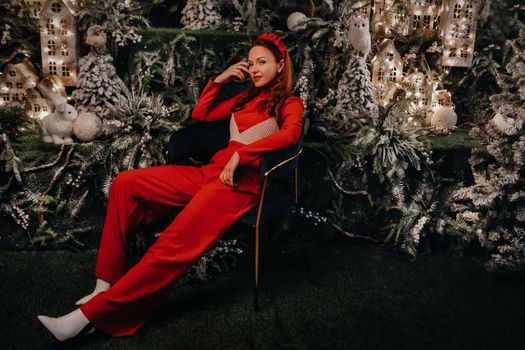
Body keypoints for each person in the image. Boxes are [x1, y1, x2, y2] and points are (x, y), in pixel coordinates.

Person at [37, 32, 304, 341]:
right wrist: (221, 78)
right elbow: (200, 114)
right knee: (126, 183)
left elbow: (290, 136)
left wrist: (242, 154)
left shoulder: (290, 102)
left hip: (238, 187)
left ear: (280, 65)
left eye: (263, 62)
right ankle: (103, 286)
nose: (255, 68)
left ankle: (90, 318)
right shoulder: (244, 99)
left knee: (175, 241)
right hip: (210, 173)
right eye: (251, 62)